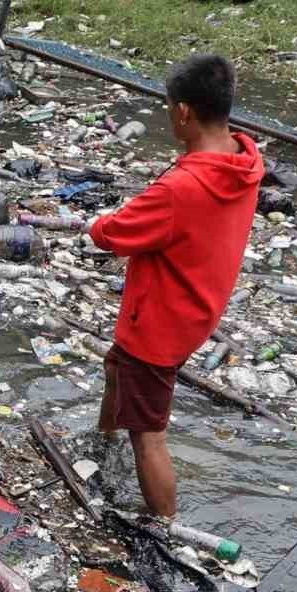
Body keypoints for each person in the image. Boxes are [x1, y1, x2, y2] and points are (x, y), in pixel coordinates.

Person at [87, 53, 263, 521]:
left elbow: (111, 234)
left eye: (169, 110)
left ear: (183, 111)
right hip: (198, 308)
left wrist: (98, 222)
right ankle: (101, 439)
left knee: (148, 435)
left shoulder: (181, 188)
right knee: (115, 367)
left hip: (158, 326)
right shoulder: (244, 158)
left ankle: (169, 529)